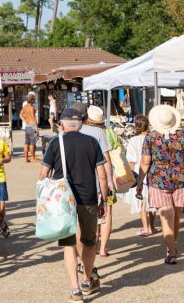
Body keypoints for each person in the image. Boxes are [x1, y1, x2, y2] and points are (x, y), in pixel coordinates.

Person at [39, 108, 107, 301]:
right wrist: (103, 196)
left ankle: (75, 289)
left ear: (62, 125)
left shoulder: (55, 143)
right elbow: (101, 174)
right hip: (88, 198)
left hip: (63, 200)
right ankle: (87, 280)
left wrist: (43, 199)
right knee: (89, 241)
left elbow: (43, 175)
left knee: (68, 244)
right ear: (81, 124)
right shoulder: (92, 142)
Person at [137, 105, 184, 265]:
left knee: (166, 216)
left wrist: (139, 182)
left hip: (158, 180)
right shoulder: (181, 135)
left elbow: (145, 162)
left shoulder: (150, 137)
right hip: (180, 179)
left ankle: (171, 251)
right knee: (176, 215)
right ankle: (172, 246)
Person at [82, 105, 116, 257]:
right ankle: (103, 248)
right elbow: (106, 159)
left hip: (84, 179)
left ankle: (92, 245)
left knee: (90, 215)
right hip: (99, 178)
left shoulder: (78, 130)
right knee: (106, 213)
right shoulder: (100, 132)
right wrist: (110, 180)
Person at [125, 115, 155, 235]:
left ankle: (145, 227)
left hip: (138, 171)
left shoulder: (133, 140)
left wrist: (130, 176)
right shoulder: (153, 138)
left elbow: (131, 161)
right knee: (152, 200)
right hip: (152, 170)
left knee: (141, 199)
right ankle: (152, 227)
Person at [0, 129, 12, 237]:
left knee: (2, 206)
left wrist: (2, 160)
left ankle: (1, 220)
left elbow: (9, 157)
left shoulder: (1, 143)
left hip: (0, 177)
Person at [21, 94, 38, 162]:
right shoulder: (32, 108)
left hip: (27, 126)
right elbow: (34, 119)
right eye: (34, 98)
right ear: (32, 100)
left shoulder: (25, 106)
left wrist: (25, 120)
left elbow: (21, 115)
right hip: (32, 126)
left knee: (26, 143)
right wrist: (36, 128)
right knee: (32, 143)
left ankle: (26, 158)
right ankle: (32, 158)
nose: (35, 99)